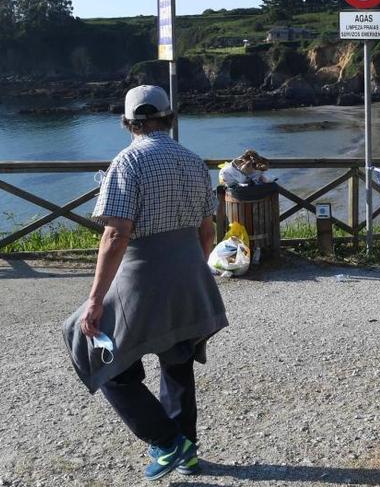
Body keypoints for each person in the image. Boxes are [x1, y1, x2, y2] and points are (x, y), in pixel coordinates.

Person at [62, 85, 228, 481]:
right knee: (177, 359)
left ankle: (166, 440)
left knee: (93, 346)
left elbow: (116, 236)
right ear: (170, 117)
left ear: (127, 122)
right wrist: (195, 269)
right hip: (190, 271)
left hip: (142, 274)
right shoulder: (192, 160)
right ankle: (186, 453)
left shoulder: (127, 162)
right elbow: (208, 230)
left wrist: (95, 299)